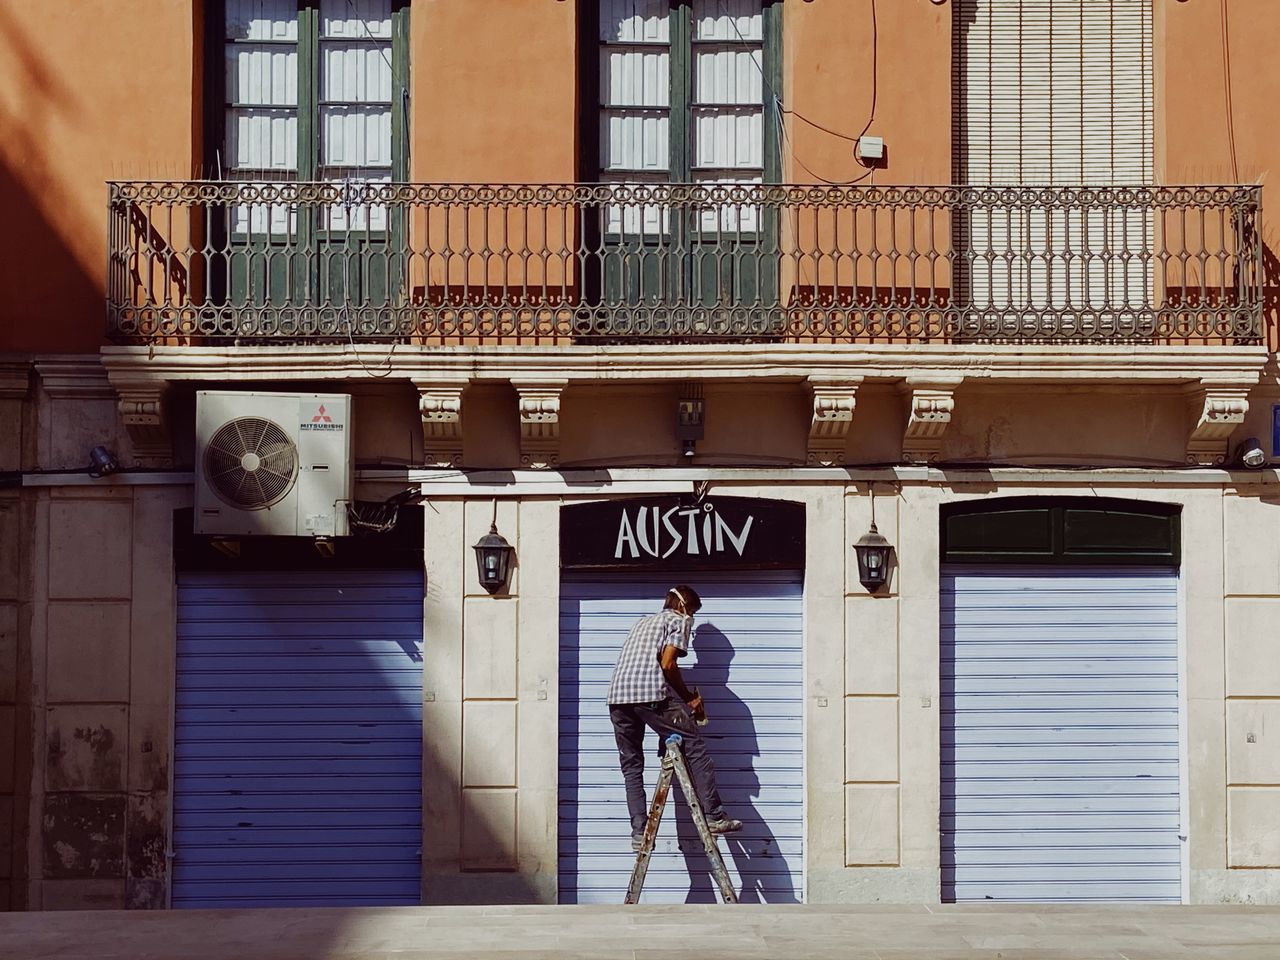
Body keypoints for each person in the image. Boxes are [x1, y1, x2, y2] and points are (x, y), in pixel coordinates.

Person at [605, 584, 743, 851]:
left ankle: (638, 831)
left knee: (632, 766)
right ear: (683, 606)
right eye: (692, 611)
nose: (692, 617)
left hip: (617, 698)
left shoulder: (642, 623)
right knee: (696, 748)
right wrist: (689, 699)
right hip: (650, 695)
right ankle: (714, 816)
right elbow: (668, 664)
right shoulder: (678, 620)